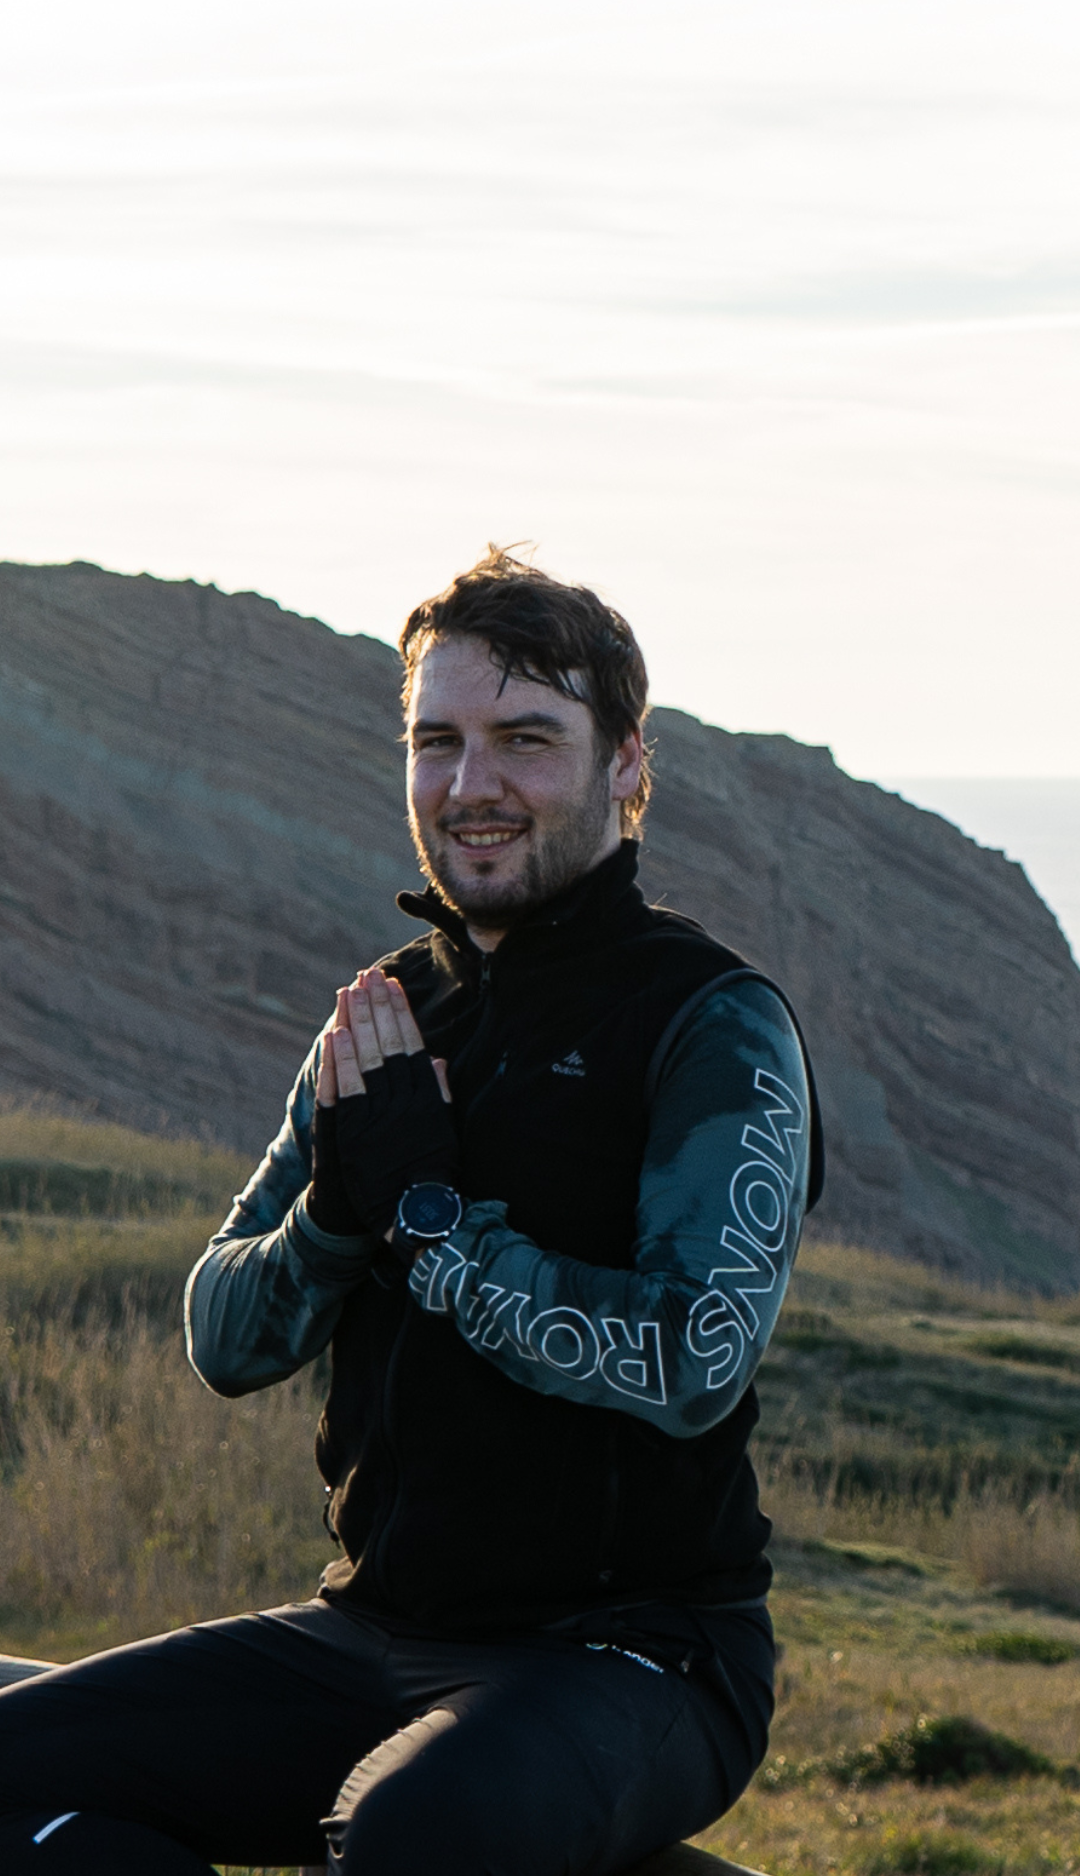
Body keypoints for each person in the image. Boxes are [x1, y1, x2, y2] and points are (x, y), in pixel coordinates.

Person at [0, 547, 823, 1875]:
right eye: (437, 741)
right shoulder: (387, 1014)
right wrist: (335, 1210)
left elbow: (691, 1362)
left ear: (624, 764)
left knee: (413, 1832)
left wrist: (433, 1226)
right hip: (371, 1636)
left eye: (525, 740)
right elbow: (225, 1338)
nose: (471, 784)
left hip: (636, 1658)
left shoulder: (709, 1021)